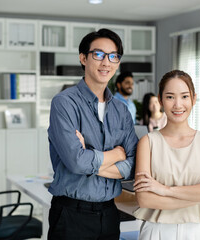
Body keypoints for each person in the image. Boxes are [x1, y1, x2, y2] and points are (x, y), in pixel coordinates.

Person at [47, 28, 138, 240]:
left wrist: (89, 158)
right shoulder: (64, 103)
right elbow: (76, 162)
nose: (106, 62)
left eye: (113, 56)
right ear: (83, 58)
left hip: (109, 213)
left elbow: (134, 166)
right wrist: (117, 154)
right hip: (71, 215)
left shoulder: (121, 110)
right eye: (98, 54)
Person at [133, 70, 200, 239]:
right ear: (161, 99)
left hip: (199, 232)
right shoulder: (147, 143)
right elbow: (145, 200)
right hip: (157, 232)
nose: (178, 105)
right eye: (170, 97)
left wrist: (164, 190)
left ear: (194, 99)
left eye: (184, 96)